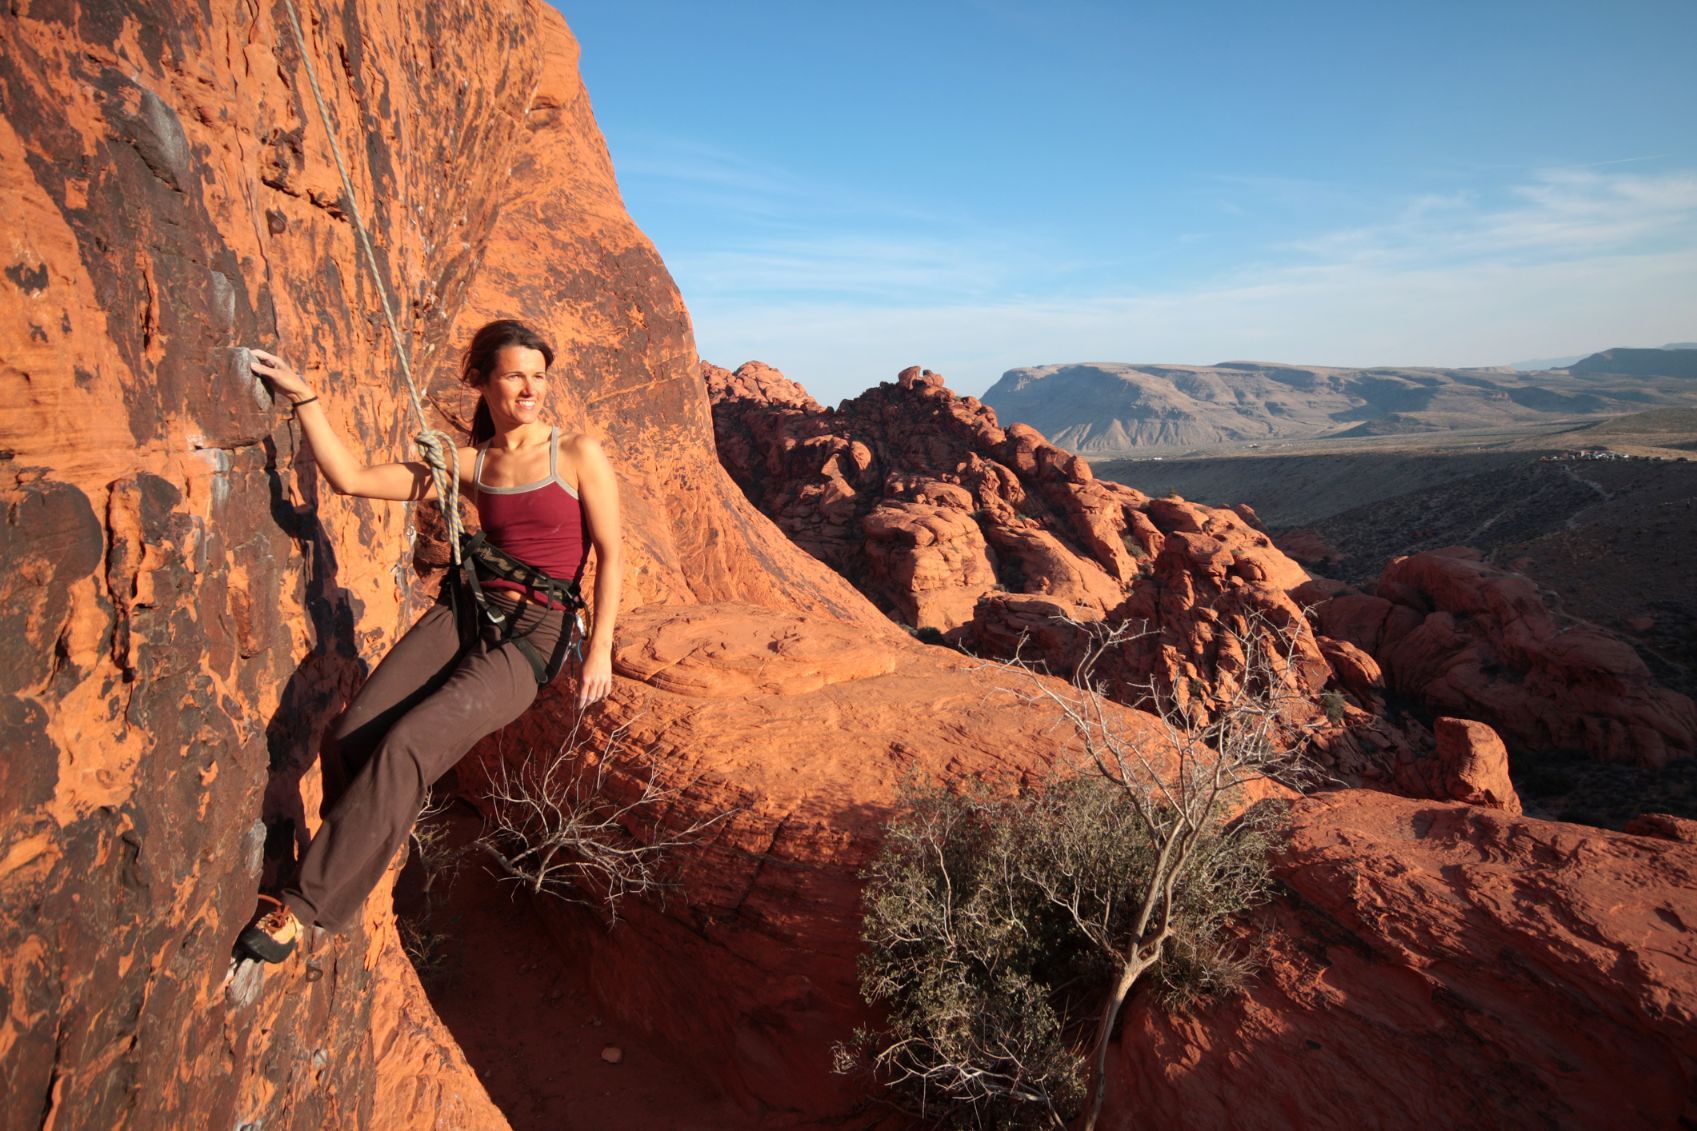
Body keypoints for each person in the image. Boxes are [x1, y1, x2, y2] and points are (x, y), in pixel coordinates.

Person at [236, 319, 622, 963]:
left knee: (411, 741)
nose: (530, 389)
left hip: (532, 636)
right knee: (351, 734)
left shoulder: (578, 453)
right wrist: (306, 400)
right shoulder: (468, 463)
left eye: (539, 376)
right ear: (482, 381)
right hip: (464, 609)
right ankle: (368, 833)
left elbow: (610, 552)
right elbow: (351, 479)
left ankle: (301, 908)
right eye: (515, 375)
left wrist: (601, 648)